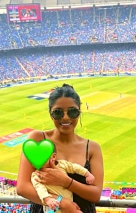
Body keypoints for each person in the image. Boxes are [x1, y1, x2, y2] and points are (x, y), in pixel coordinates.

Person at [17, 83, 104, 213]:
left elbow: (95, 194)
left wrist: (66, 182)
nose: (65, 117)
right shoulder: (37, 139)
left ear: (79, 112)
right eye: (58, 112)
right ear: (51, 114)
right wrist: (64, 204)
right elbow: (23, 187)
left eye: (72, 111)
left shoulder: (92, 148)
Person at [31, 144, 95, 213]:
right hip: (53, 207)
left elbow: (74, 167)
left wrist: (87, 174)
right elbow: (40, 189)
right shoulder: (37, 175)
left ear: (53, 156)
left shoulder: (61, 165)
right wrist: (47, 199)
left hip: (69, 205)